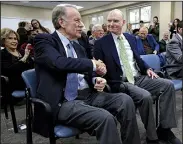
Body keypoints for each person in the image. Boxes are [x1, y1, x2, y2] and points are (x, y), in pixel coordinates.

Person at [33, 5, 141, 144]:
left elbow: (85, 72)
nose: (82, 25)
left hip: (88, 95)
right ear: (61, 22)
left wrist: (96, 79)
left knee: (125, 100)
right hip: (63, 101)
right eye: (77, 20)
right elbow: (59, 63)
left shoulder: (78, 45)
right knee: (105, 118)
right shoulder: (44, 41)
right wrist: (93, 64)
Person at [94, 9, 181, 144]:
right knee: (145, 96)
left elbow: (137, 59)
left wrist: (147, 68)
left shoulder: (130, 38)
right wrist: (99, 73)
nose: (111, 24)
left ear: (123, 22)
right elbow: (98, 69)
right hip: (121, 81)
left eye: (115, 21)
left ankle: (164, 129)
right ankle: (152, 137)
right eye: (109, 21)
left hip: (138, 77)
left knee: (168, 85)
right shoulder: (101, 43)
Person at [1, 28, 34, 94]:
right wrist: (24, 58)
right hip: (15, 83)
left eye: (15, 39)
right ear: (3, 41)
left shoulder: (21, 52)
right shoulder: (2, 54)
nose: (14, 41)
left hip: (30, 79)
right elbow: (9, 71)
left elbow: (32, 66)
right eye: (10, 38)